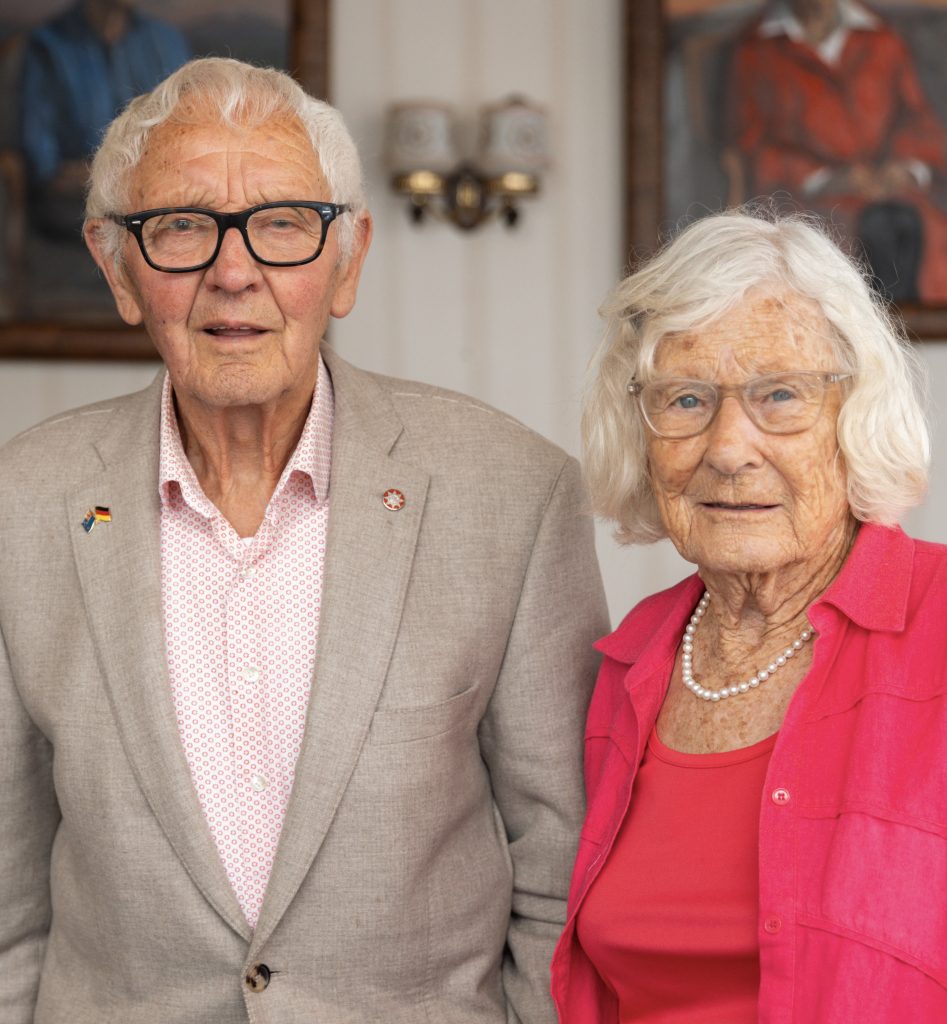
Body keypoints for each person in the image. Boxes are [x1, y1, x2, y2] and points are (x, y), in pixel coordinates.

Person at [0, 57, 607, 1023]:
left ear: (348, 260)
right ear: (119, 269)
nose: (233, 272)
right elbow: (7, 895)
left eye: (282, 225)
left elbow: (560, 864)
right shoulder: (19, 503)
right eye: (182, 228)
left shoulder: (511, 491)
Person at [550, 208, 947, 1021]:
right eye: (686, 398)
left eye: (780, 395)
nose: (729, 447)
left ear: (857, 415)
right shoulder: (624, 670)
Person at [728, 0, 947, 303]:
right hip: (806, 202)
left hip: (890, 192)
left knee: (906, 226)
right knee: (866, 237)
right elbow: (750, 143)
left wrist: (902, 168)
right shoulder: (757, 52)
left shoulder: (882, 41)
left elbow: (918, 119)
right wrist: (827, 178)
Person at [19, 0, 191, 239]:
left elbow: (186, 137)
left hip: (161, 196)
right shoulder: (49, 46)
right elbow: (44, 167)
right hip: (77, 207)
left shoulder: (166, 41)